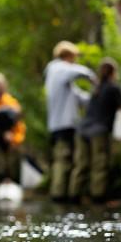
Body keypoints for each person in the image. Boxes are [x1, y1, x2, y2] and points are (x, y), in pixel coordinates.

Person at [44, 41, 96, 202]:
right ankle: (58, 195)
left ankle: (66, 195)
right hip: (62, 124)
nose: (75, 61)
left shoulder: (59, 77)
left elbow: (77, 96)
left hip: (63, 124)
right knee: (62, 159)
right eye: (74, 58)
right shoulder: (57, 68)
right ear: (67, 56)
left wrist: (95, 98)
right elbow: (80, 72)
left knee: (67, 159)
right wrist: (95, 79)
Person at [69, 59, 121, 202]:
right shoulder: (113, 88)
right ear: (113, 72)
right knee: (99, 164)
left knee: (81, 165)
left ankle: (74, 196)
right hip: (98, 131)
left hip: (83, 130)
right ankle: (98, 197)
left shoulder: (96, 88)